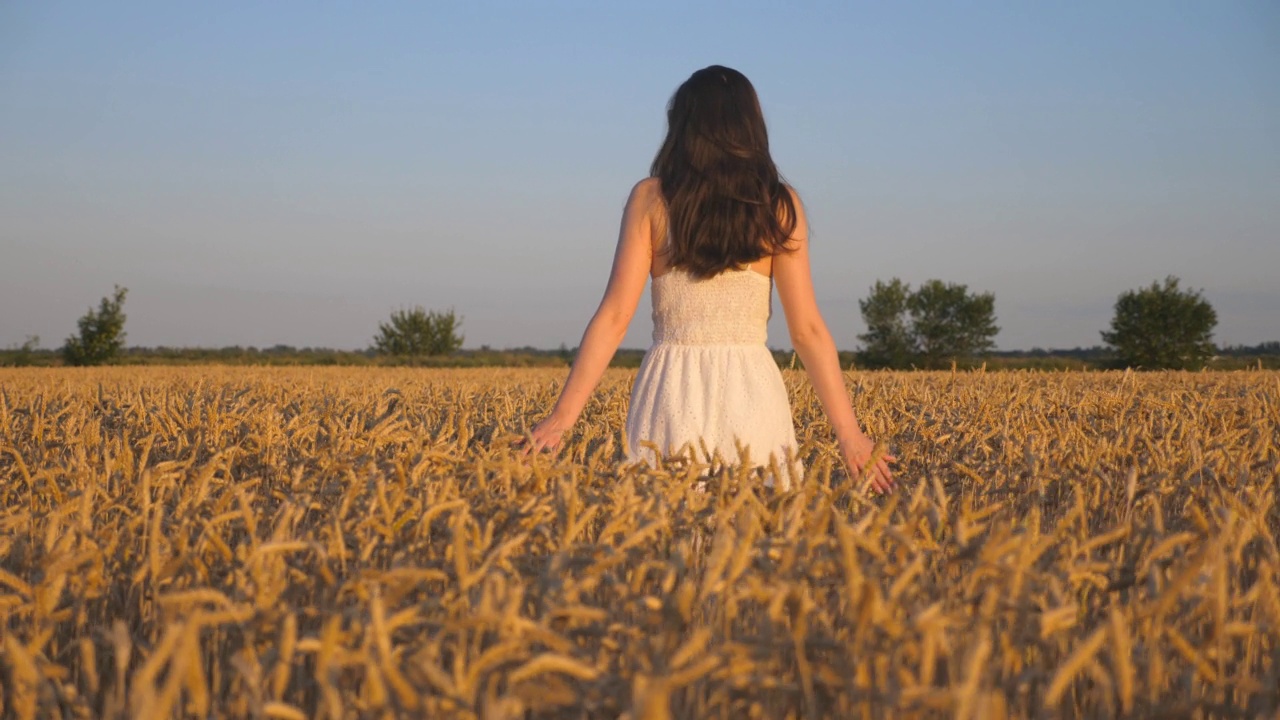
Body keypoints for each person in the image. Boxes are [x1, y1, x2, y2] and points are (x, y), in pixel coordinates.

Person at [520, 65, 896, 494]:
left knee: (667, 543)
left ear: (683, 126)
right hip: (752, 389)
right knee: (757, 543)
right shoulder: (778, 205)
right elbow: (807, 330)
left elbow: (615, 316)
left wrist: (561, 418)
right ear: (750, 126)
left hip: (670, 389)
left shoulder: (650, 198)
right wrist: (849, 434)